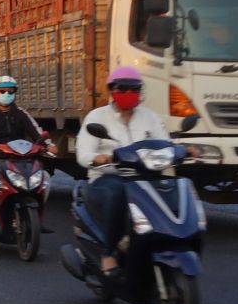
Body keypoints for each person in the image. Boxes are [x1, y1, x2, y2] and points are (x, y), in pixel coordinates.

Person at [74, 66, 187, 273]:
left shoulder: (149, 117)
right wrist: (100, 158)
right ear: (111, 90)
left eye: (134, 89)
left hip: (146, 177)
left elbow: (164, 143)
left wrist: (183, 150)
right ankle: (108, 254)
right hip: (107, 178)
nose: (128, 94)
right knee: (118, 191)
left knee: (176, 188)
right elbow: (83, 155)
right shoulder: (97, 117)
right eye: (122, 89)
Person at [0, 76, 43, 224]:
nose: (6, 94)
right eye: (2, 91)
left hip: (20, 160)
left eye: (10, 92)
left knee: (45, 181)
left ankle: (37, 218)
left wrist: (47, 144)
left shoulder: (21, 113)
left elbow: (36, 131)